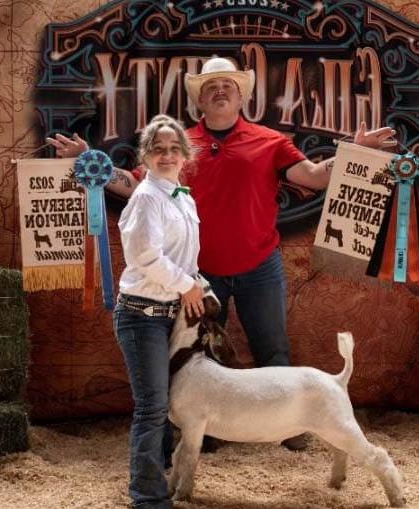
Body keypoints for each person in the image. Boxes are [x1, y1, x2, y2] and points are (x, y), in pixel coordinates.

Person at [47, 57, 397, 451]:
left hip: (259, 267)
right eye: (211, 85)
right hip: (199, 276)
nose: (220, 90)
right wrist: (88, 162)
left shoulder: (270, 141)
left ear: (241, 95)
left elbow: (315, 177)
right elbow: (132, 184)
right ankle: (210, 431)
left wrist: (354, 154)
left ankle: (288, 427)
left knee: (273, 348)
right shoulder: (178, 146)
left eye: (228, 84)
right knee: (201, 355)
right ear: (200, 98)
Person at [112, 115, 203, 509]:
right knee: (152, 406)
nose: (167, 155)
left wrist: (197, 283)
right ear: (145, 157)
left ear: (185, 155)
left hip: (170, 313)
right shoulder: (146, 198)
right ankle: (147, 497)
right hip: (141, 314)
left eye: (173, 149)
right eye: (158, 149)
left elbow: (185, 259)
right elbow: (145, 257)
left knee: (165, 405)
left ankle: (160, 476)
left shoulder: (183, 197)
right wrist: (187, 285)